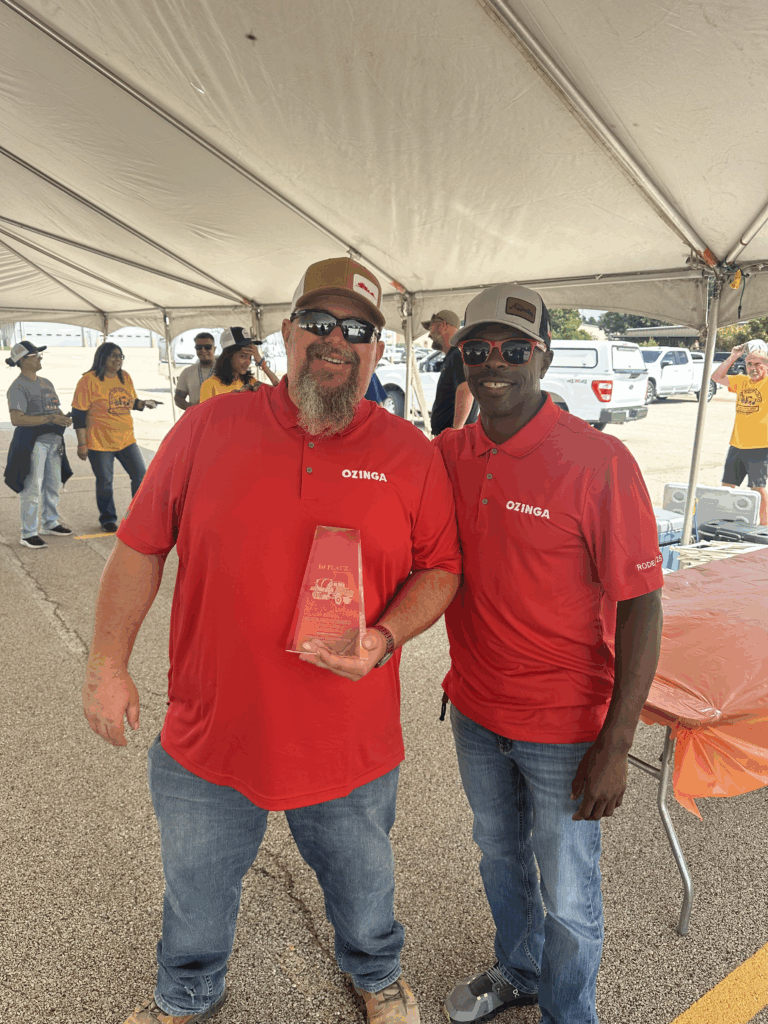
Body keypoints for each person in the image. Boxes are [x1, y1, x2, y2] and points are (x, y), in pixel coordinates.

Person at [82, 256, 462, 1024]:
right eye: (318, 322)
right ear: (285, 333)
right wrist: (106, 665)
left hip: (348, 741)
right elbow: (141, 547)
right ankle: (186, 994)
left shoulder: (410, 454)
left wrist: (385, 636)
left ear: (377, 348)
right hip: (212, 732)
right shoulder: (206, 428)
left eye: (356, 329)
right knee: (196, 889)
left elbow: (442, 569)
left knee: (363, 887)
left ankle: (378, 976)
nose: (335, 340)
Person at [435, 283, 664, 1024]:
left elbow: (641, 603)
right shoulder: (448, 455)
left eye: (514, 348)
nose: (493, 362)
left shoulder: (598, 461)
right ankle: (521, 971)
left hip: (564, 727)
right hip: (475, 711)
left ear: (544, 356)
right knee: (499, 858)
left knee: (569, 889)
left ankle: (570, 1013)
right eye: (477, 349)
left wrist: (616, 743)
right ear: (461, 358)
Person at [72, 342, 160, 533]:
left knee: (140, 476)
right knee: (105, 481)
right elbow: (78, 415)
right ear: (102, 357)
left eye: (120, 356)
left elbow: (129, 402)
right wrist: (81, 444)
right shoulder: (88, 380)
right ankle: (108, 518)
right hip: (99, 442)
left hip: (126, 439)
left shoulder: (124, 377)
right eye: (113, 355)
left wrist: (144, 403)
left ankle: (138, 515)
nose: (117, 359)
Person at [4, 340, 73, 548]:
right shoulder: (17, 387)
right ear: (22, 360)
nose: (40, 358)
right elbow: (17, 419)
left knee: (52, 486)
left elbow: (54, 408)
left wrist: (62, 417)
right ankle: (28, 533)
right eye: (35, 355)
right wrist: (50, 419)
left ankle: (50, 523)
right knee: (32, 489)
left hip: (54, 442)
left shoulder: (46, 382)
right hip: (34, 443)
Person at [711, 339, 768, 525]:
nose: (753, 368)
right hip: (736, 444)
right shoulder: (742, 381)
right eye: (749, 364)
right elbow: (716, 377)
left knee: (758, 489)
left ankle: (764, 527)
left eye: (757, 364)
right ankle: (725, 523)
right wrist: (733, 356)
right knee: (727, 487)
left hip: (759, 447)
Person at [424, 309, 478, 435]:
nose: (429, 335)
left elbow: (466, 389)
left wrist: (455, 432)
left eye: (431, 328)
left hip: (455, 438)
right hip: (450, 436)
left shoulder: (457, 354)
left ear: (443, 326)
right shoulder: (454, 355)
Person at [198, 327, 280, 401]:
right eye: (243, 356)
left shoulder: (249, 381)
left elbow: (279, 392)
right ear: (228, 357)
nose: (248, 362)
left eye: (250, 356)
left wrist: (260, 362)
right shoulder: (210, 385)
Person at [173, 332, 217, 410]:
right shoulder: (187, 372)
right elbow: (178, 398)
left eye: (207, 347)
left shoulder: (224, 370)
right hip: (197, 416)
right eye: (198, 347)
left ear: (214, 349)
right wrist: (192, 409)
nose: (203, 350)